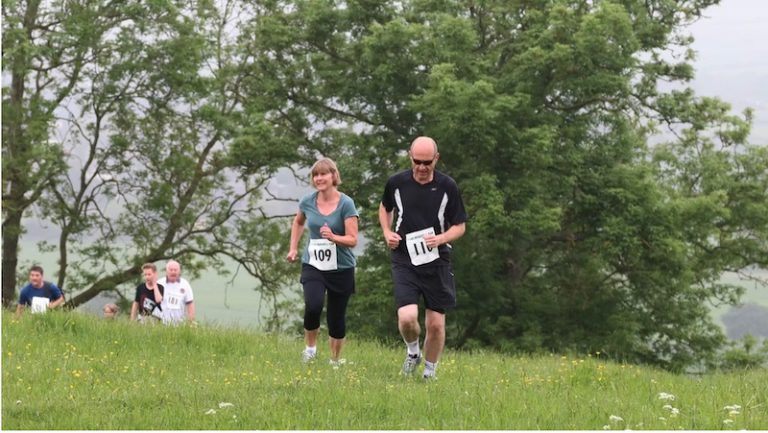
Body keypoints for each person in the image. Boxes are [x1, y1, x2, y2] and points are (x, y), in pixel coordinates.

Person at [378, 136, 467, 379]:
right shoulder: (396, 183)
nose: (422, 167)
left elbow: (460, 226)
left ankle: (430, 372)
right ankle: (413, 352)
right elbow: (385, 207)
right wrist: (387, 232)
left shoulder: (448, 186)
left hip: (436, 258)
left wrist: (440, 239)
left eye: (427, 162)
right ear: (410, 157)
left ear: (436, 159)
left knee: (436, 324)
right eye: (417, 161)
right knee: (407, 318)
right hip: (404, 257)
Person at [286, 158, 359, 366]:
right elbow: (298, 222)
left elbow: (353, 240)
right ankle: (310, 350)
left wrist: (334, 237)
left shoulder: (346, 203)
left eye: (323, 174)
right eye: (316, 175)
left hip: (341, 267)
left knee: (336, 317)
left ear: (333, 176)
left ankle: (335, 360)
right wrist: (293, 248)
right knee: (313, 305)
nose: (319, 178)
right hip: (314, 264)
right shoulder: (308, 201)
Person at [155, 259, 196, 325]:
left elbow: (190, 304)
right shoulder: (159, 283)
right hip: (160, 323)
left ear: (179, 271)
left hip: (179, 324)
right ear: (166, 271)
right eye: (171, 270)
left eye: (175, 270)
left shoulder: (185, 284)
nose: (173, 272)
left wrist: (190, 322)